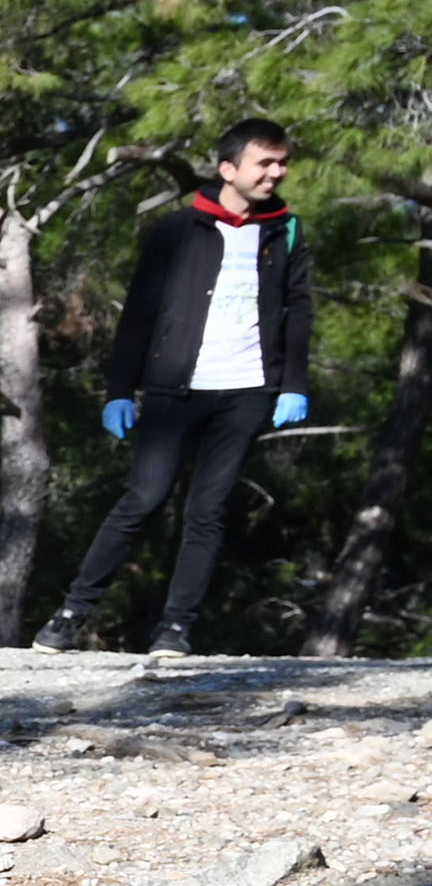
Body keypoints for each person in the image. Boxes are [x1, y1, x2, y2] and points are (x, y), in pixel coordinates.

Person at [42, 117, 315, 657]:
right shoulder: (177, 231)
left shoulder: (286, 230)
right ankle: (70, 614)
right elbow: (140, 313)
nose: (276, 173)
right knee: (142, 498)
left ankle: (176, 629)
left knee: (207, 511)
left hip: (246, 392)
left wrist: (292, 384)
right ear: (228, 169)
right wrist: (120, 389)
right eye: (265, 162)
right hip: (175, 390)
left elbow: (299, 309)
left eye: (282, 163)